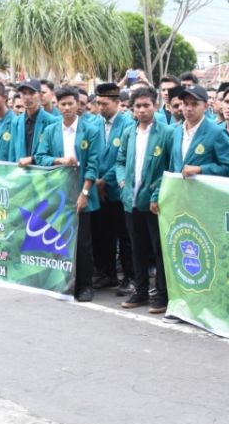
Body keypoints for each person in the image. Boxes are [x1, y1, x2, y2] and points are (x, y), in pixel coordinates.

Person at [35, 87, 103, 302]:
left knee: (82, 242)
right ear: (57, 105)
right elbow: (40, 156)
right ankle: (63, 282)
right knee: (59, 238)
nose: (66, 108)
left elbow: (93, 164)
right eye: (62, 104)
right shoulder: (51, 130)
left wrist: (85, 192)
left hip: (82, 191)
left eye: (70, 103)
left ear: (78, 104)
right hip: (58, 192)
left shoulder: (90, 130)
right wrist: (60, 160)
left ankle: (85, 285)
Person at [113, 86, 174, 313]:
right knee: (136, 248)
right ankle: (139, 290)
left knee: (158, 249)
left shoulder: (166, 133)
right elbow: (119, 161)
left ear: (155, 106)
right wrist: (121, 183)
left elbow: (170, 167)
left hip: (155, 202)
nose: (142, 110)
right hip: (131, 199)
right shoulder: (129, 132)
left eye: (146, 105)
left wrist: (158, 192)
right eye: (137, 106)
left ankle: (161, 293)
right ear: (132, 109)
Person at [91, 83, 135, 294]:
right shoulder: (93, 123)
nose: (100, 107)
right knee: (102, 235)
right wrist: (95, 180)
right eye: (98, 103)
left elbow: (123, 159)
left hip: (117, 190)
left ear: (118, 103)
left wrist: (104, 180)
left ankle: (130, 277)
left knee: (125, 237)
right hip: (97, 190)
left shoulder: (128, 124)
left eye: (105, 104)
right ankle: (106, 274)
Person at [168, 84, 229, 177]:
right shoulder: (177, 132)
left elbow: (228, 167)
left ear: (206, 106)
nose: (188, 108)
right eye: (185, 103)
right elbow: (173, 166)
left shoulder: (216, 132)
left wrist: (201, 169)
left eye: (194, 104)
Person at [12, 79, 59, 164]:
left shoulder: (52, 121)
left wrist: (33, 159)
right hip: (20, 172)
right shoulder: (16, 122)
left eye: (31, 93)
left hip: (42, 173)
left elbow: (54, 153)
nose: (27, 97)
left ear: (40, 95)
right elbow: (12, 153)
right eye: (24, 93)